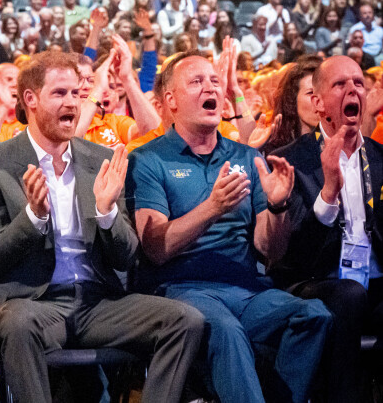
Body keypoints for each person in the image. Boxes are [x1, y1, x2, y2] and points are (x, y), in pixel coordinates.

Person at [0, 51, 205, 403]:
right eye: (59, 93)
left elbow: (126, 258)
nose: (72, 104)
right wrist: (33, 217)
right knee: (18, 322)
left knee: (185, 320)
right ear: (30, 99)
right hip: (31, 303)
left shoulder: (101, 160)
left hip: (96, 302)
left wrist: (107, 211)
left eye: (77, 94)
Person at [126, 53, 332, 403]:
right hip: (181, 291)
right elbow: (155, 249)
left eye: (215, 81)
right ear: (171, 101)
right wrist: (212, 208)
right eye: (196, 82)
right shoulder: (148, 159)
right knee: (227, 332)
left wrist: (278, 205)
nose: (211, 87)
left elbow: (271, 250)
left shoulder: (245, 156)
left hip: (247, 290)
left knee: (314, 316)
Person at [269, 55, 383, 403]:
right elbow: (293, 256)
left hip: (373, 281)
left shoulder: (380, 157)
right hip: (315, 281)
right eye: (340, 84)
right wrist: (329, 189)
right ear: (318, 103)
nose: (352, 89)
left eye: (358, 83)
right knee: (348, 295)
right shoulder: (288, 160)